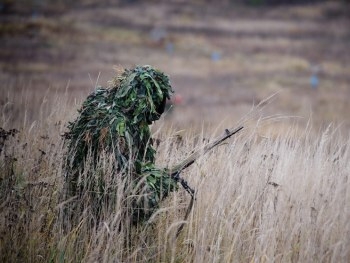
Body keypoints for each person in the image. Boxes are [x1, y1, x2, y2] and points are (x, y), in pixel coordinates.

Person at [63, 65, 178, 223]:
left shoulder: (101, 105)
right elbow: (124, 177)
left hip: (75, 197)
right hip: (98, 209)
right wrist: (160, 181)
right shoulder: (118, 126)